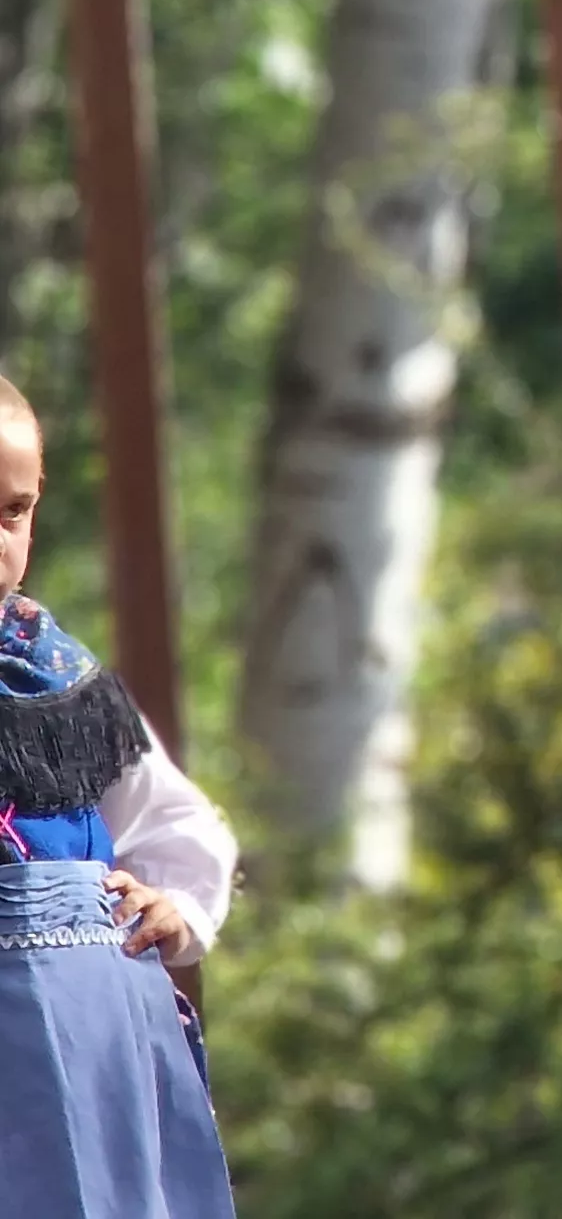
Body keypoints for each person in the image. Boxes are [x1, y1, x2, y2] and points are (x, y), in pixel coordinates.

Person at [0, 378, 234, 1216]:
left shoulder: (59, 679)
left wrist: (174, 908)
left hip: (91, 1028)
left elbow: (171, 822)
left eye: (13, 512)